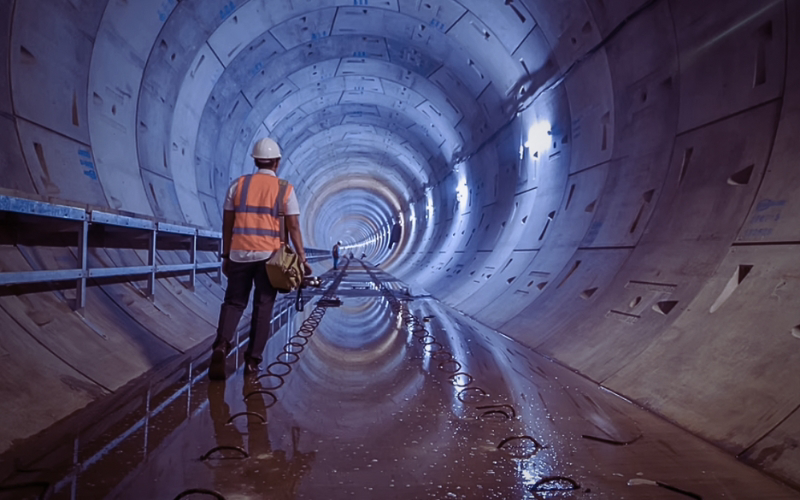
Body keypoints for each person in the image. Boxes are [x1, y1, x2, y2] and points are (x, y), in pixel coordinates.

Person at [210, 138, 312, 380]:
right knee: (263, 308)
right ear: (277, 162)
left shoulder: (238, 186)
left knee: (234, 303)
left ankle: (221, 346)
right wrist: (302, 257)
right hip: (270, 259)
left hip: (239, 254)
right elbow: (294, 226)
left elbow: (227, 225)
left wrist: (225, 254)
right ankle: (252, 363)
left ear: (255, 161)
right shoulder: (285, 189)